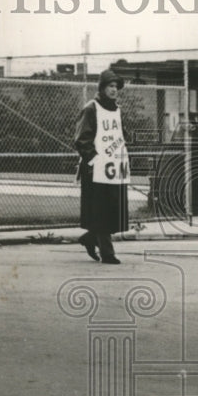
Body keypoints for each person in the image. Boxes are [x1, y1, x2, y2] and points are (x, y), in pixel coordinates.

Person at [74, 70, 129, 264]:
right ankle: (107, 253)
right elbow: (82, 139)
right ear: (102, 88)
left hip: (114, 167)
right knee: (101, 209)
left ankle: (90, 238)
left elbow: (121, 135)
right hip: (96, 168)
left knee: (113, 209)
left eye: (116, 87)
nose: (114, 90)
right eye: (110, 86)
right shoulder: (91, 108)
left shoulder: (117, 109)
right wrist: (94, 160)